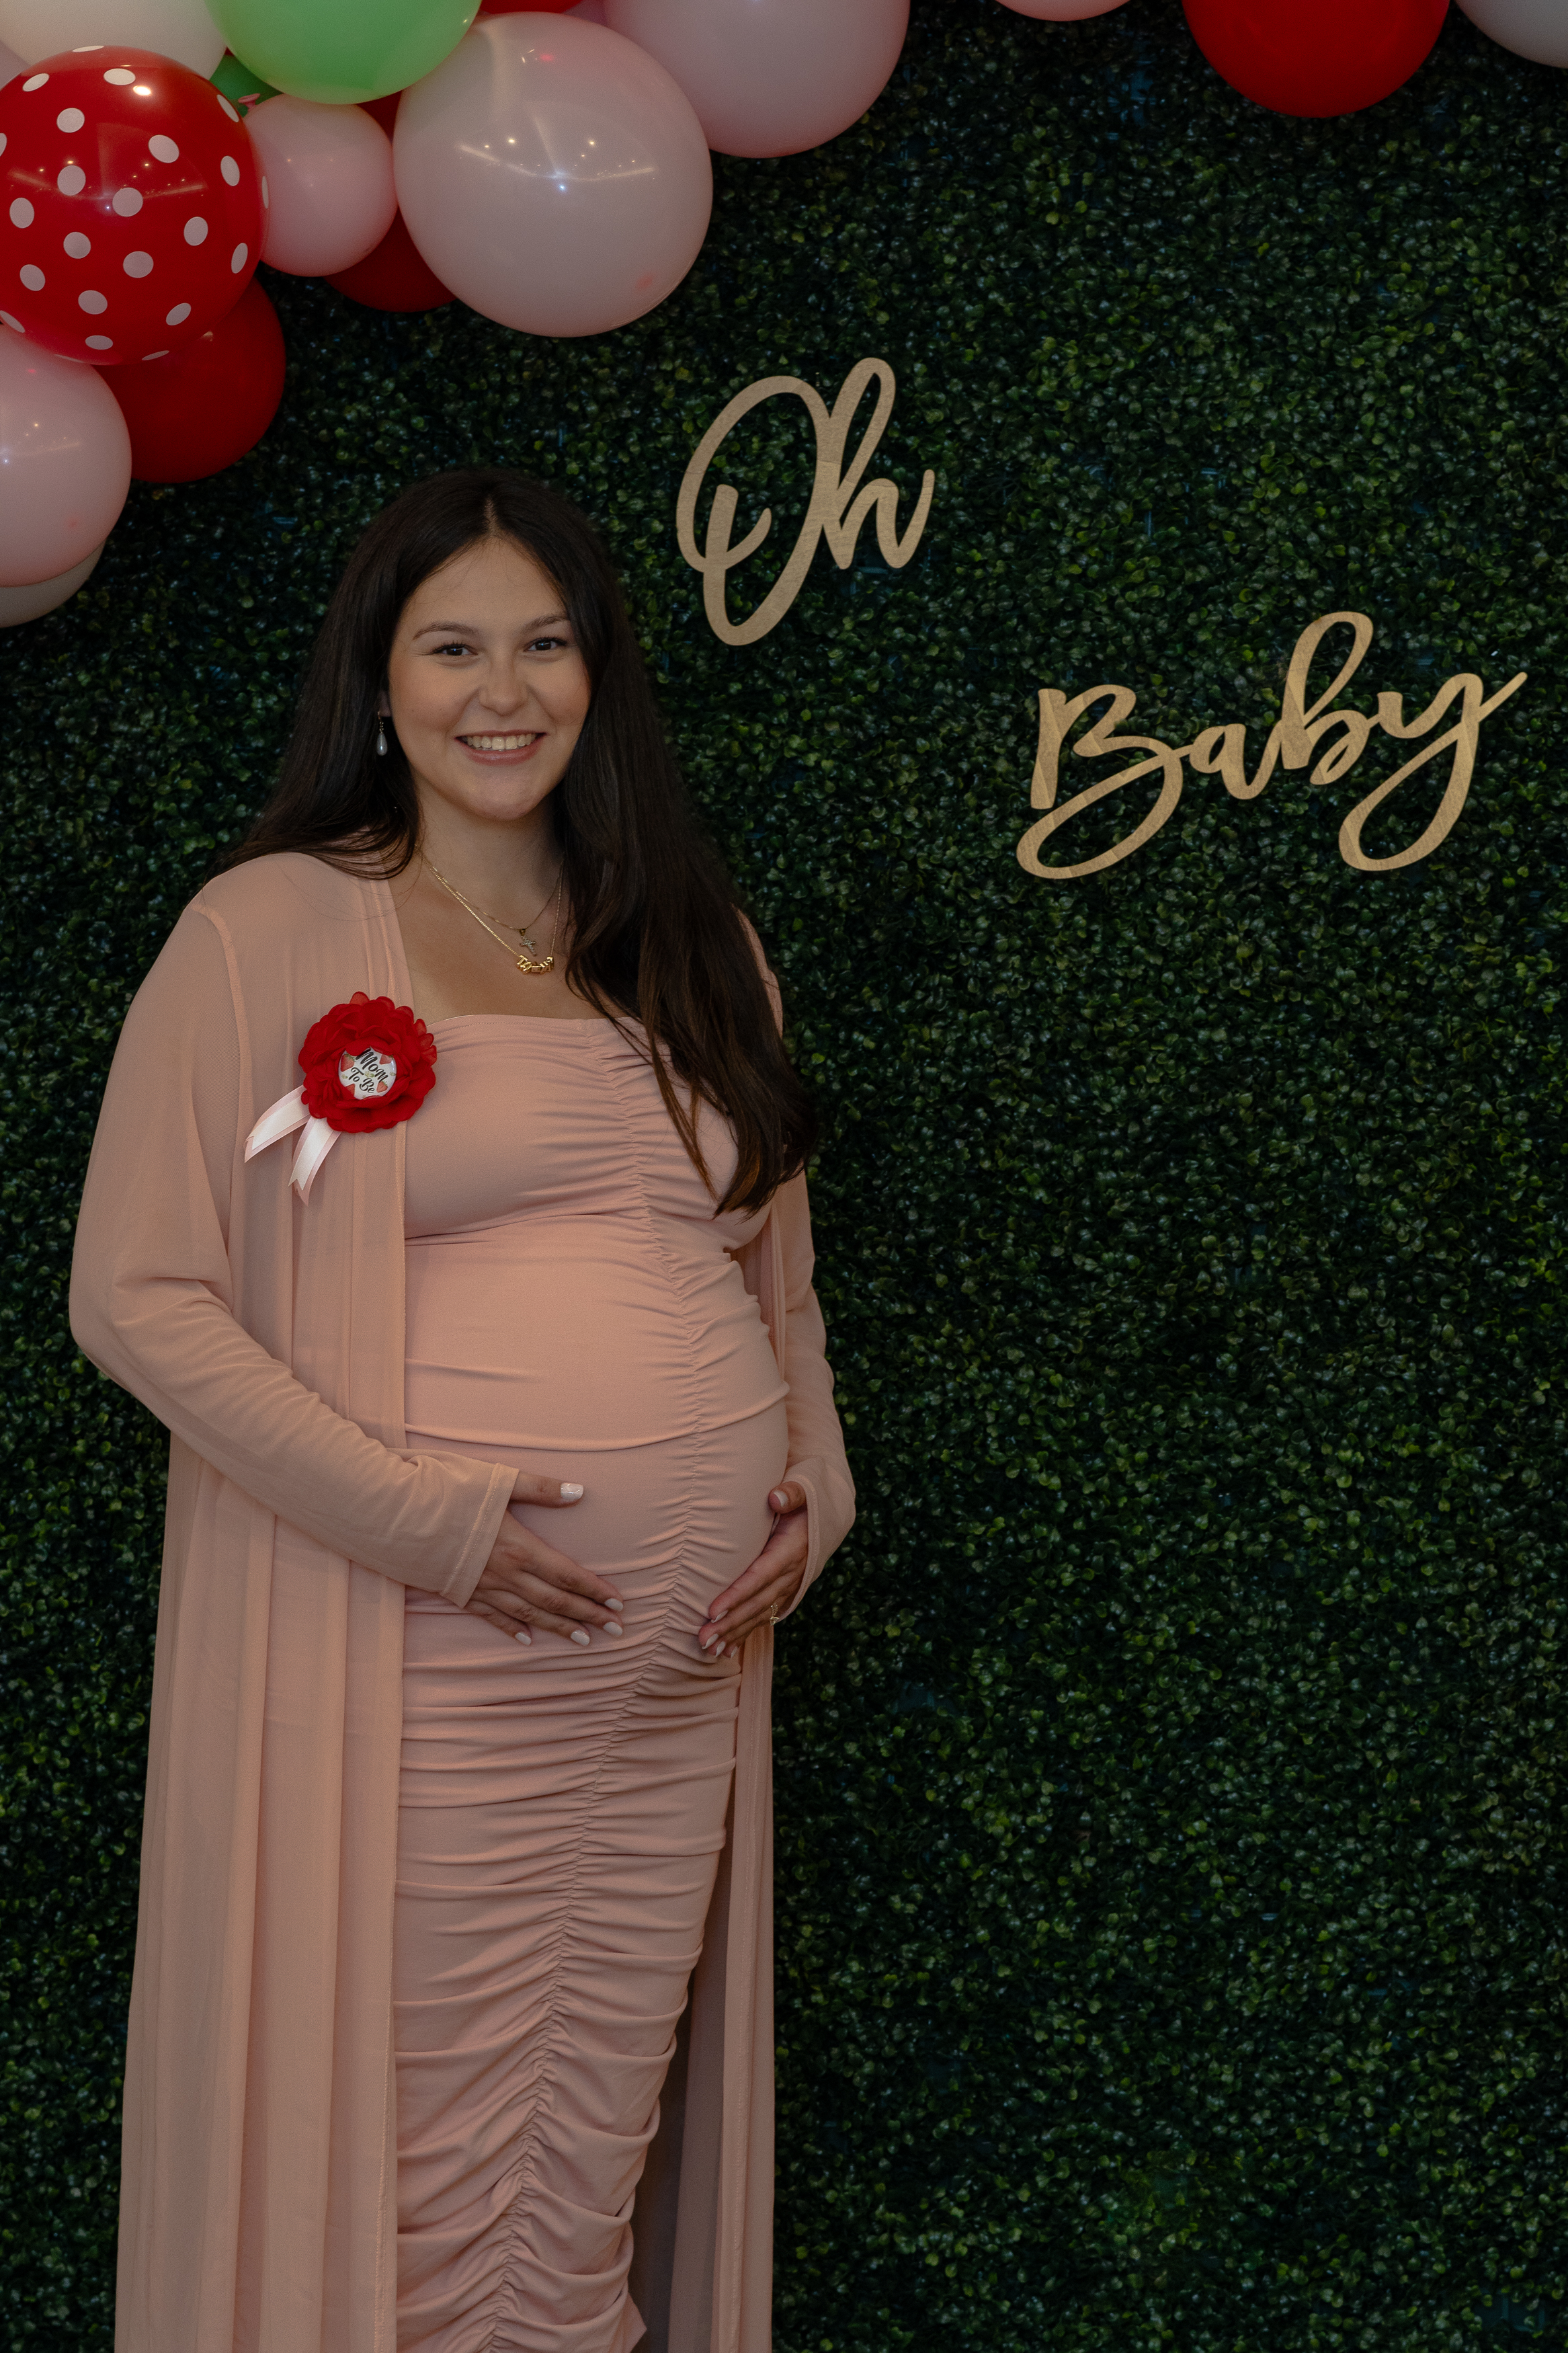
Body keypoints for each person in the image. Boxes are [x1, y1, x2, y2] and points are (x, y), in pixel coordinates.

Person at [69, 467, 854, 2353]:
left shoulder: (696, 944)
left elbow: (777, 1281)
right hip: (429, 1676)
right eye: (452, 646)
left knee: (582, 2184)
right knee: (407, 2189)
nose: (502, 690)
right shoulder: (271, 937)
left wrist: (816, 1488)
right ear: (380, 677)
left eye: (546, 642)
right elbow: (141, 1292)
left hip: (669, 1695)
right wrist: (437, 1524)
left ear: (601, 677)